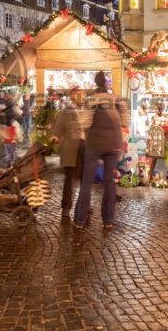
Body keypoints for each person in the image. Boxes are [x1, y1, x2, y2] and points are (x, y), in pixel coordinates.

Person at [73, 71, 129, 230]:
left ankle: (79, 220)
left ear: (96, 83)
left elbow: (85, 124)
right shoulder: (118, 99)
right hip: (114, 144)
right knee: (109, 182)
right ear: (107, 83)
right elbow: (125, 121)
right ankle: (108, 221)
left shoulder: (90, 100)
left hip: (95, 144)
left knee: (87, 182)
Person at [51, 88, 86, 215]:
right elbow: (59, 127)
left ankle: (84, 205)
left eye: (84, 95)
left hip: (84, 146)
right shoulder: (66, 111)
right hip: (71, 147)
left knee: (84, 177)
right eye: (81, 95)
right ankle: (66, 206)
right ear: (73, 96)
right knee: (70, 177)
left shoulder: (86, 111)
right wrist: (55, 136)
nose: (83, 97)